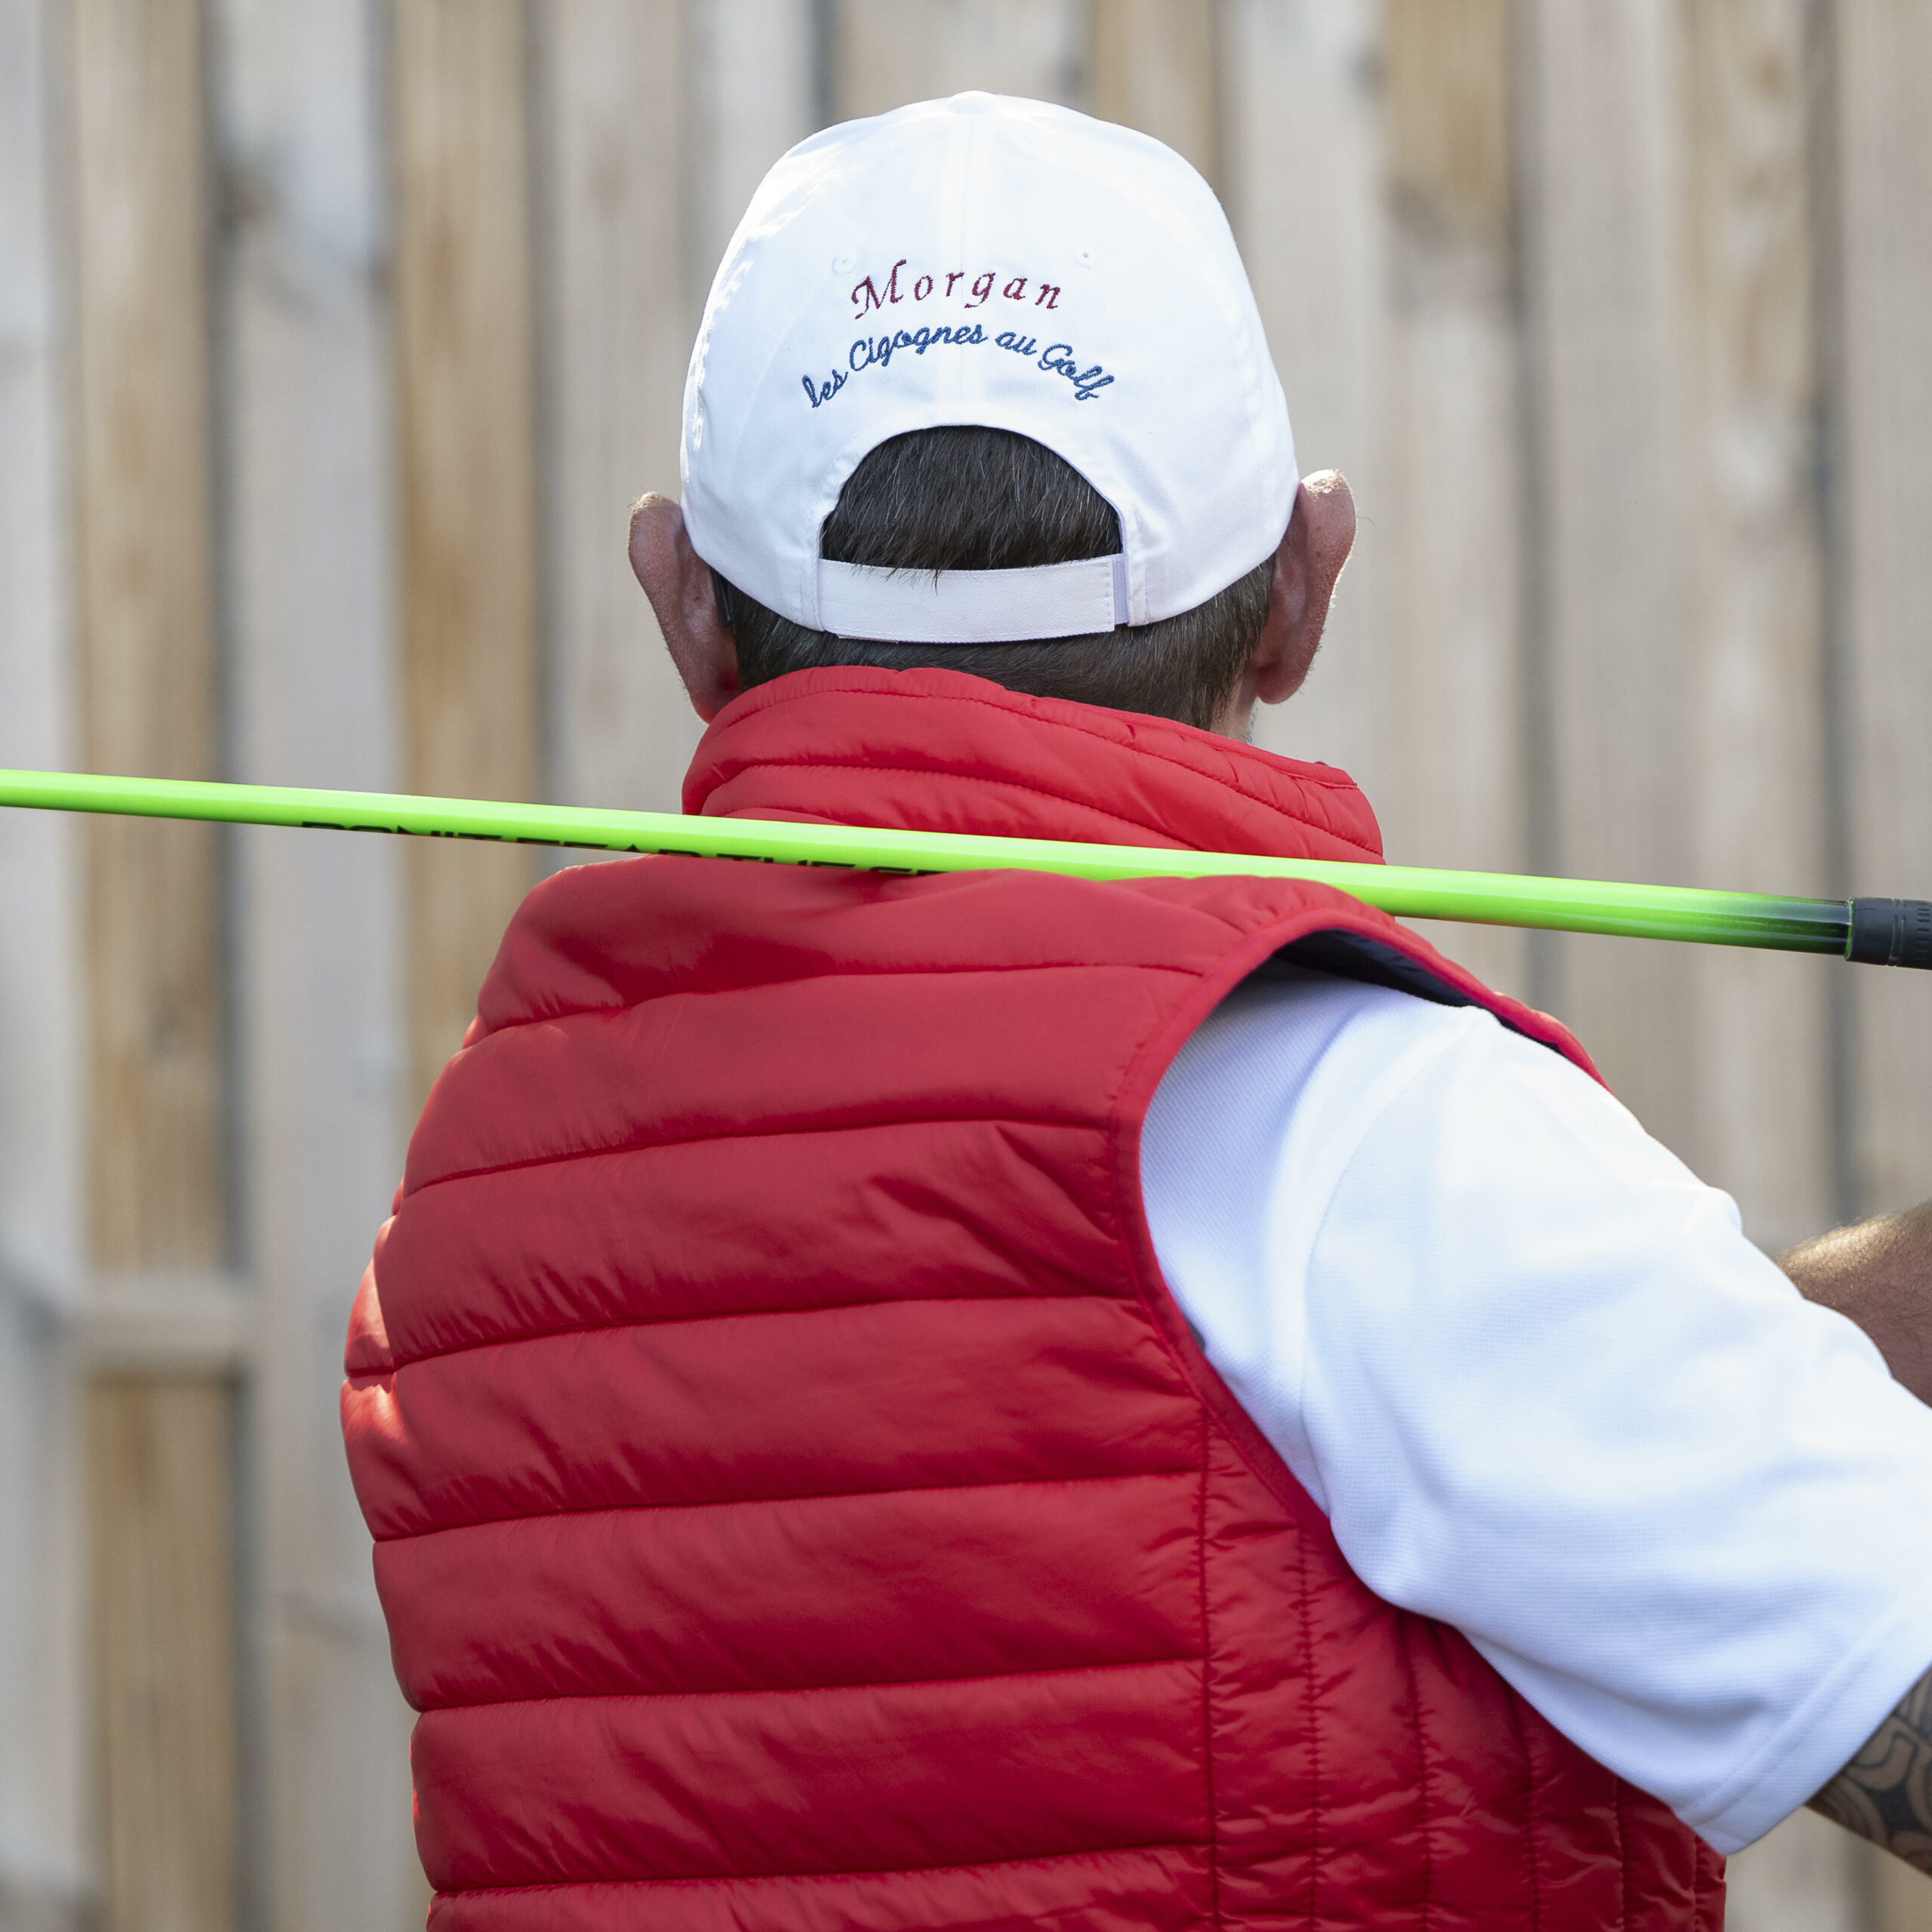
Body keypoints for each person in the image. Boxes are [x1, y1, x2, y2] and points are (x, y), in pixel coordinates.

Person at [341, 94, 1932, 1930]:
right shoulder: (1368, 1131)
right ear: (1299, 590)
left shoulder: (480, 1189)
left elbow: (1139, 1427)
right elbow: (1379, 1331)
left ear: (682, 607)